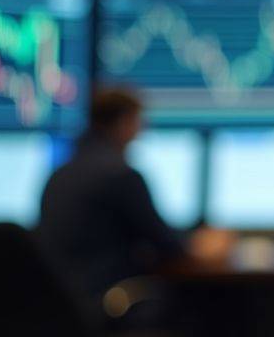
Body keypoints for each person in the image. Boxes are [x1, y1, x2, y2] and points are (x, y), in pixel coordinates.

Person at [37, 88, 224, 301]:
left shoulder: (59, 175)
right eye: (139, 121)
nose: (142, 129)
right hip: (112, 299)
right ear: (124, 123)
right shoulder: (121, 176)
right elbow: (166, 245)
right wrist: (202, 245)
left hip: (65, 304)